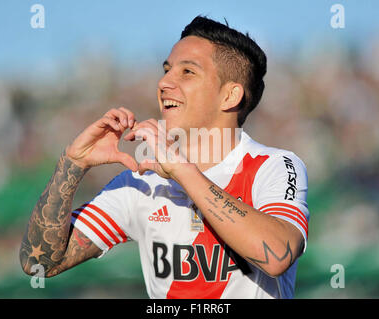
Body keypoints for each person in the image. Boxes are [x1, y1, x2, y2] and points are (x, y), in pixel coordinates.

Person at [19, 16, 309, 299]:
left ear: (230, 96)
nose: (164, 82)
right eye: (167, 69)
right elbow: (40, 264)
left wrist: (181, 170)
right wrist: (73, 163)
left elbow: (276, 254)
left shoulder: (274, 165)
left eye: (187, 72)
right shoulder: (140, 182)